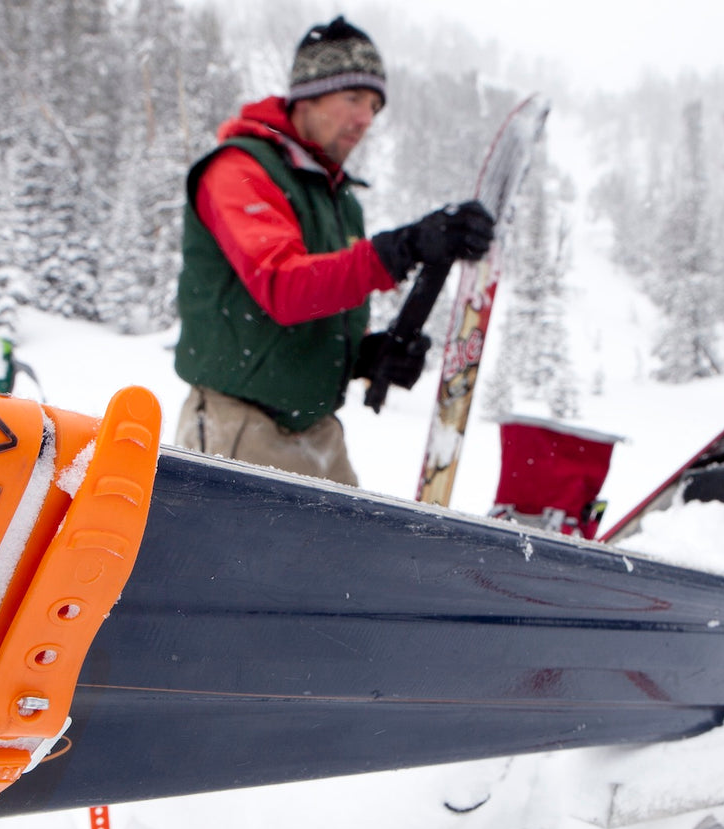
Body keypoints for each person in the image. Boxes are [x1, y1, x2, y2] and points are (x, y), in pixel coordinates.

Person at [173, 15, 495, 485]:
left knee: (350, 560)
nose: (365, 119)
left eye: (374, 106)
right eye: (353, 99)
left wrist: (365, 355)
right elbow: (285, 287)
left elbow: (321, 301)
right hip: (238, 426)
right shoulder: (239, 170)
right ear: (308, 93)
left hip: (319, 433)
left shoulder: (339, 199)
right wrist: (399, 250)